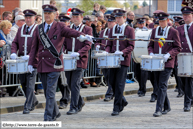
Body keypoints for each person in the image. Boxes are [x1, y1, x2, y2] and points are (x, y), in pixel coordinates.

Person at [28, 4, 89, 121]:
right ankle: (55, 112)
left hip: (55, 64)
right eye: (45, 13)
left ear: (54, 15)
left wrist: (84, 36)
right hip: (42, 64)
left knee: (50, 92)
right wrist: (31, 63)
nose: (46, 15)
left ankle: (48, 117)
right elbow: (34, 47)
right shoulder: (39, 28)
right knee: (47, 93)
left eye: (49, 13)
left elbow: (71, 32)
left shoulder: (60, 26)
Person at [148, 12, 181, 117]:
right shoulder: (154, 31)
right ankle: (167, 106)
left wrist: (169, 55)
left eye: (163, 21)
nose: (161, 23)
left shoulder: (173, 31)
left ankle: (159, 109)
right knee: (158, 85)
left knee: (162, 85)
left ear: (167, 21)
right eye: (160, 21)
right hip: (157, 62)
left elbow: (178, 47)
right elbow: (150, 45)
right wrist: (151, 53)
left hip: (167, 62)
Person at [105, 9, 135, 116]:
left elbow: (131, 46)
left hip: (123, 60)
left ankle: (116, 107)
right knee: (112, 82)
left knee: (120, 83)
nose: (118, 19)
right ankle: (122, 100)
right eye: (116, 18)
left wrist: (122, 52)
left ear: (124, 18)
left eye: (120, 17)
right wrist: (107, 52)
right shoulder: (112, 29)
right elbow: (108, 44)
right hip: (113, 60)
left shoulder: (129, 30)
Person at [63, 8, 92, 115]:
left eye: (77, 16)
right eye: (73, 17)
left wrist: (79, 53)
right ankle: (80, 101)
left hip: (80, 59)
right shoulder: (67, 28)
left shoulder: (87, 29)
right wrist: (64, 52)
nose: (75, 19)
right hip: (69, 58)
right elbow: (64, 43)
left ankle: (74, 106)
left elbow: (88, 44)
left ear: (81, 17)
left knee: (75, 83)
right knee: (70, 83)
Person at [10, 9, 39, 114]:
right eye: (26, 17)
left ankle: (27, 106)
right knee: (23, 83)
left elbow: (41, 46)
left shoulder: (38, 29)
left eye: (29, 17)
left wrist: (31, 56)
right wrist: (13, 52)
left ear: (34, 18)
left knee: (30, 85)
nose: (27, 19)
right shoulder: (21, 29)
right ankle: (34, 101)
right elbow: (15, 42)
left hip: (33, 61)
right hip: (21, 61)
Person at [96, 14, 116, 102]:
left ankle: (109, 94)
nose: (109, 23)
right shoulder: (103, 32)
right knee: (106, 76)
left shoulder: (116, 31)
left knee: (111, 75)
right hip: (103, 56)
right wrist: (97, 46)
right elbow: (98, 41)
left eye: (111, 21)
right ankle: (113, 91)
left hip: (112, 56)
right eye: (108, 21)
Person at [176, 6, 193, 112]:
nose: (185, 17)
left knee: (189, 81)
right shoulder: (179, 29)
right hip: (182, 58)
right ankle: (190, 100)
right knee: (184, 81)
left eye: (187, 15)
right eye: (184, 15)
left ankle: (187, 103)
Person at [0, 20, 12, 97]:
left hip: (5, 57)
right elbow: (6, 42)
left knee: (3, 74)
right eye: (8, 28)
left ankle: (2, 90)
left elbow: (7, 42)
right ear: (4, 28)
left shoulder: (7, 34)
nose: (10, 30)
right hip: (2, 57)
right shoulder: (1, 33)